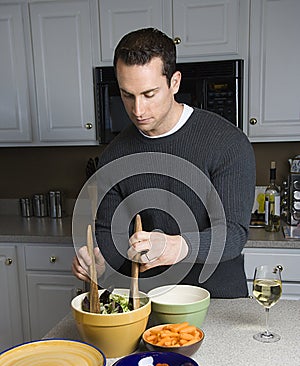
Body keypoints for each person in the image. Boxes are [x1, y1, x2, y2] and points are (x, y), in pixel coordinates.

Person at [72, 27, 255, 298]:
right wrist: (101, 263)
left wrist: (178, 246)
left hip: (219, 301)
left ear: (175, 82)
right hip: (149, 299)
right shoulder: (114, 154)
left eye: (149, 94)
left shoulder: (227, 143)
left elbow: (234, 234)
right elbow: (110, 231)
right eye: (127, 95)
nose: (138, 110)